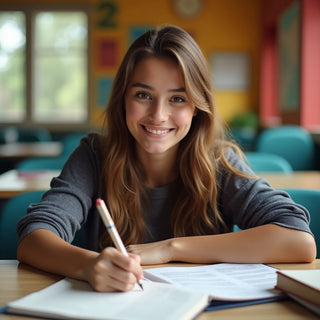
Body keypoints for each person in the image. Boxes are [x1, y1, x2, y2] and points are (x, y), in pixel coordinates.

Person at [17, 25, 316, 293]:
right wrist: (88, 267)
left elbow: (298, 240)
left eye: (178, 98)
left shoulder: (219, 163)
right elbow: (34, 238)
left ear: (197, 106)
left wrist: (170, 249)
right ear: (123, 99)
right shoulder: (95, 155)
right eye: (143, 95)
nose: (158, 115)